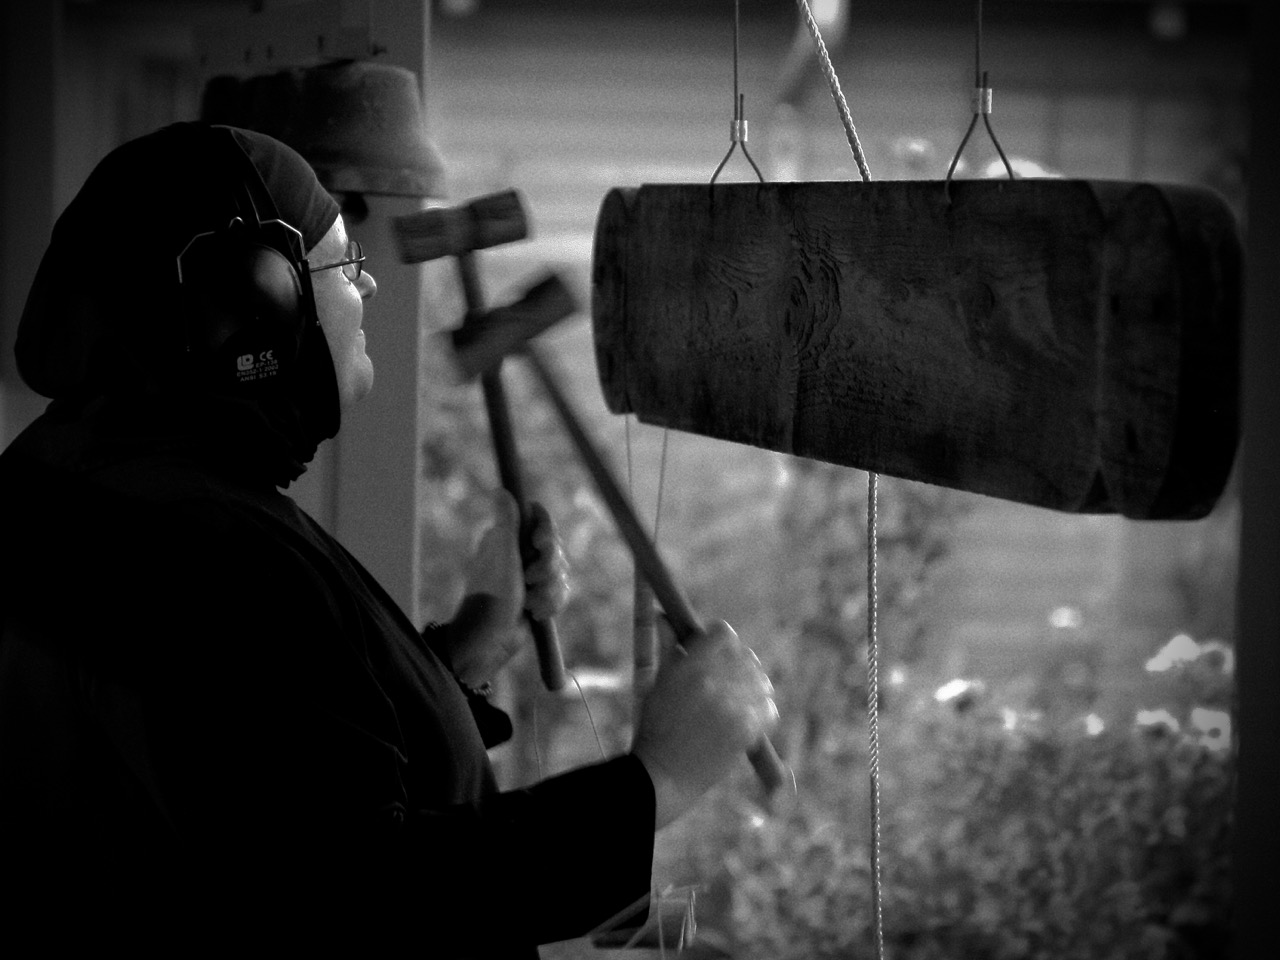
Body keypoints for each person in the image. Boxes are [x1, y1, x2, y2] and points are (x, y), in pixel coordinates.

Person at [0, 122, 777, 953]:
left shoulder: (69, 485)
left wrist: (465, 651)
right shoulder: (213, 554)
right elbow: (373, 898)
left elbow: (269, 778)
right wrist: (657, 780)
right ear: (257, 308)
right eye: (343, 265)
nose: (367, 286)